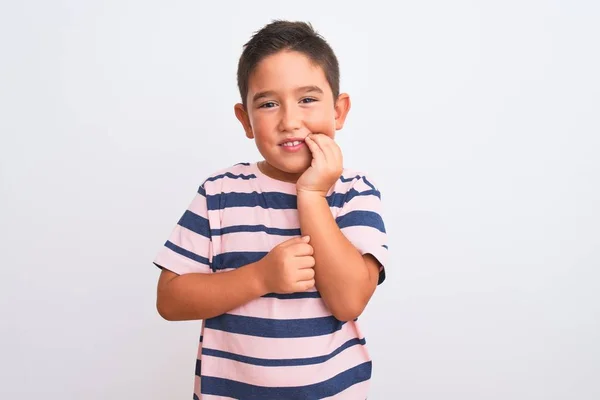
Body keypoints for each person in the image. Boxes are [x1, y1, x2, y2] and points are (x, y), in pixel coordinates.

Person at [153, 20, 388, 399]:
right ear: (245, 119)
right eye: (268, 104)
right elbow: (170, 299)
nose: (290, 121)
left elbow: (348, 302)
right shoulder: (220, 193)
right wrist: (260, 277)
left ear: (339, 111)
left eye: (308, 99)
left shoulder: (353, 192)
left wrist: (311, 194)